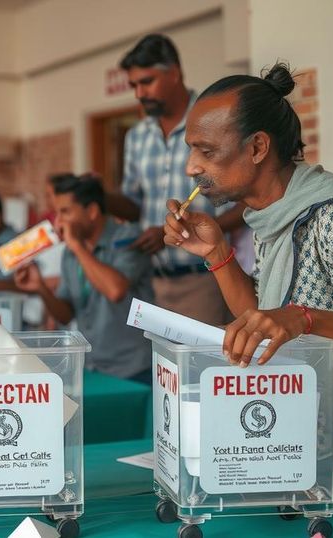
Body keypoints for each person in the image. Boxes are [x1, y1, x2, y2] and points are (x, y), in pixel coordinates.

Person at [162, 64, 333, 476]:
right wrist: (216, 252)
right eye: (191, 150)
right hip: (310, 448)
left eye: (206, 151)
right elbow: (262, 319)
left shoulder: (329, 216)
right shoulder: (273, 213)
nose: (191, 167)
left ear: (258, 148)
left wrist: (303, 318)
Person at [106, 34, 247, 326]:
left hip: (204, 279)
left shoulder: (215, 122)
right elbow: (134, 205)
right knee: (161, 372)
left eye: (146, 82)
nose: (139, 94)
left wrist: (181, 233)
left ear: (174, 73)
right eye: (134, 85)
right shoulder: (136, 137)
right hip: (150, 283)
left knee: (198, 369)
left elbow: (246, 204)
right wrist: (100, 196)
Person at [15, 176, 153, 382]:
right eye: (57, 213)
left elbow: (115, 290)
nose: (58, 222)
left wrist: (78, 247)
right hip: (91, 365)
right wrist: (40, 288)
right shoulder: (71, 252)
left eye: (65, 212)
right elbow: (65, 314)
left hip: (132, 369)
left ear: (92, 212)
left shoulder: (128, 237)